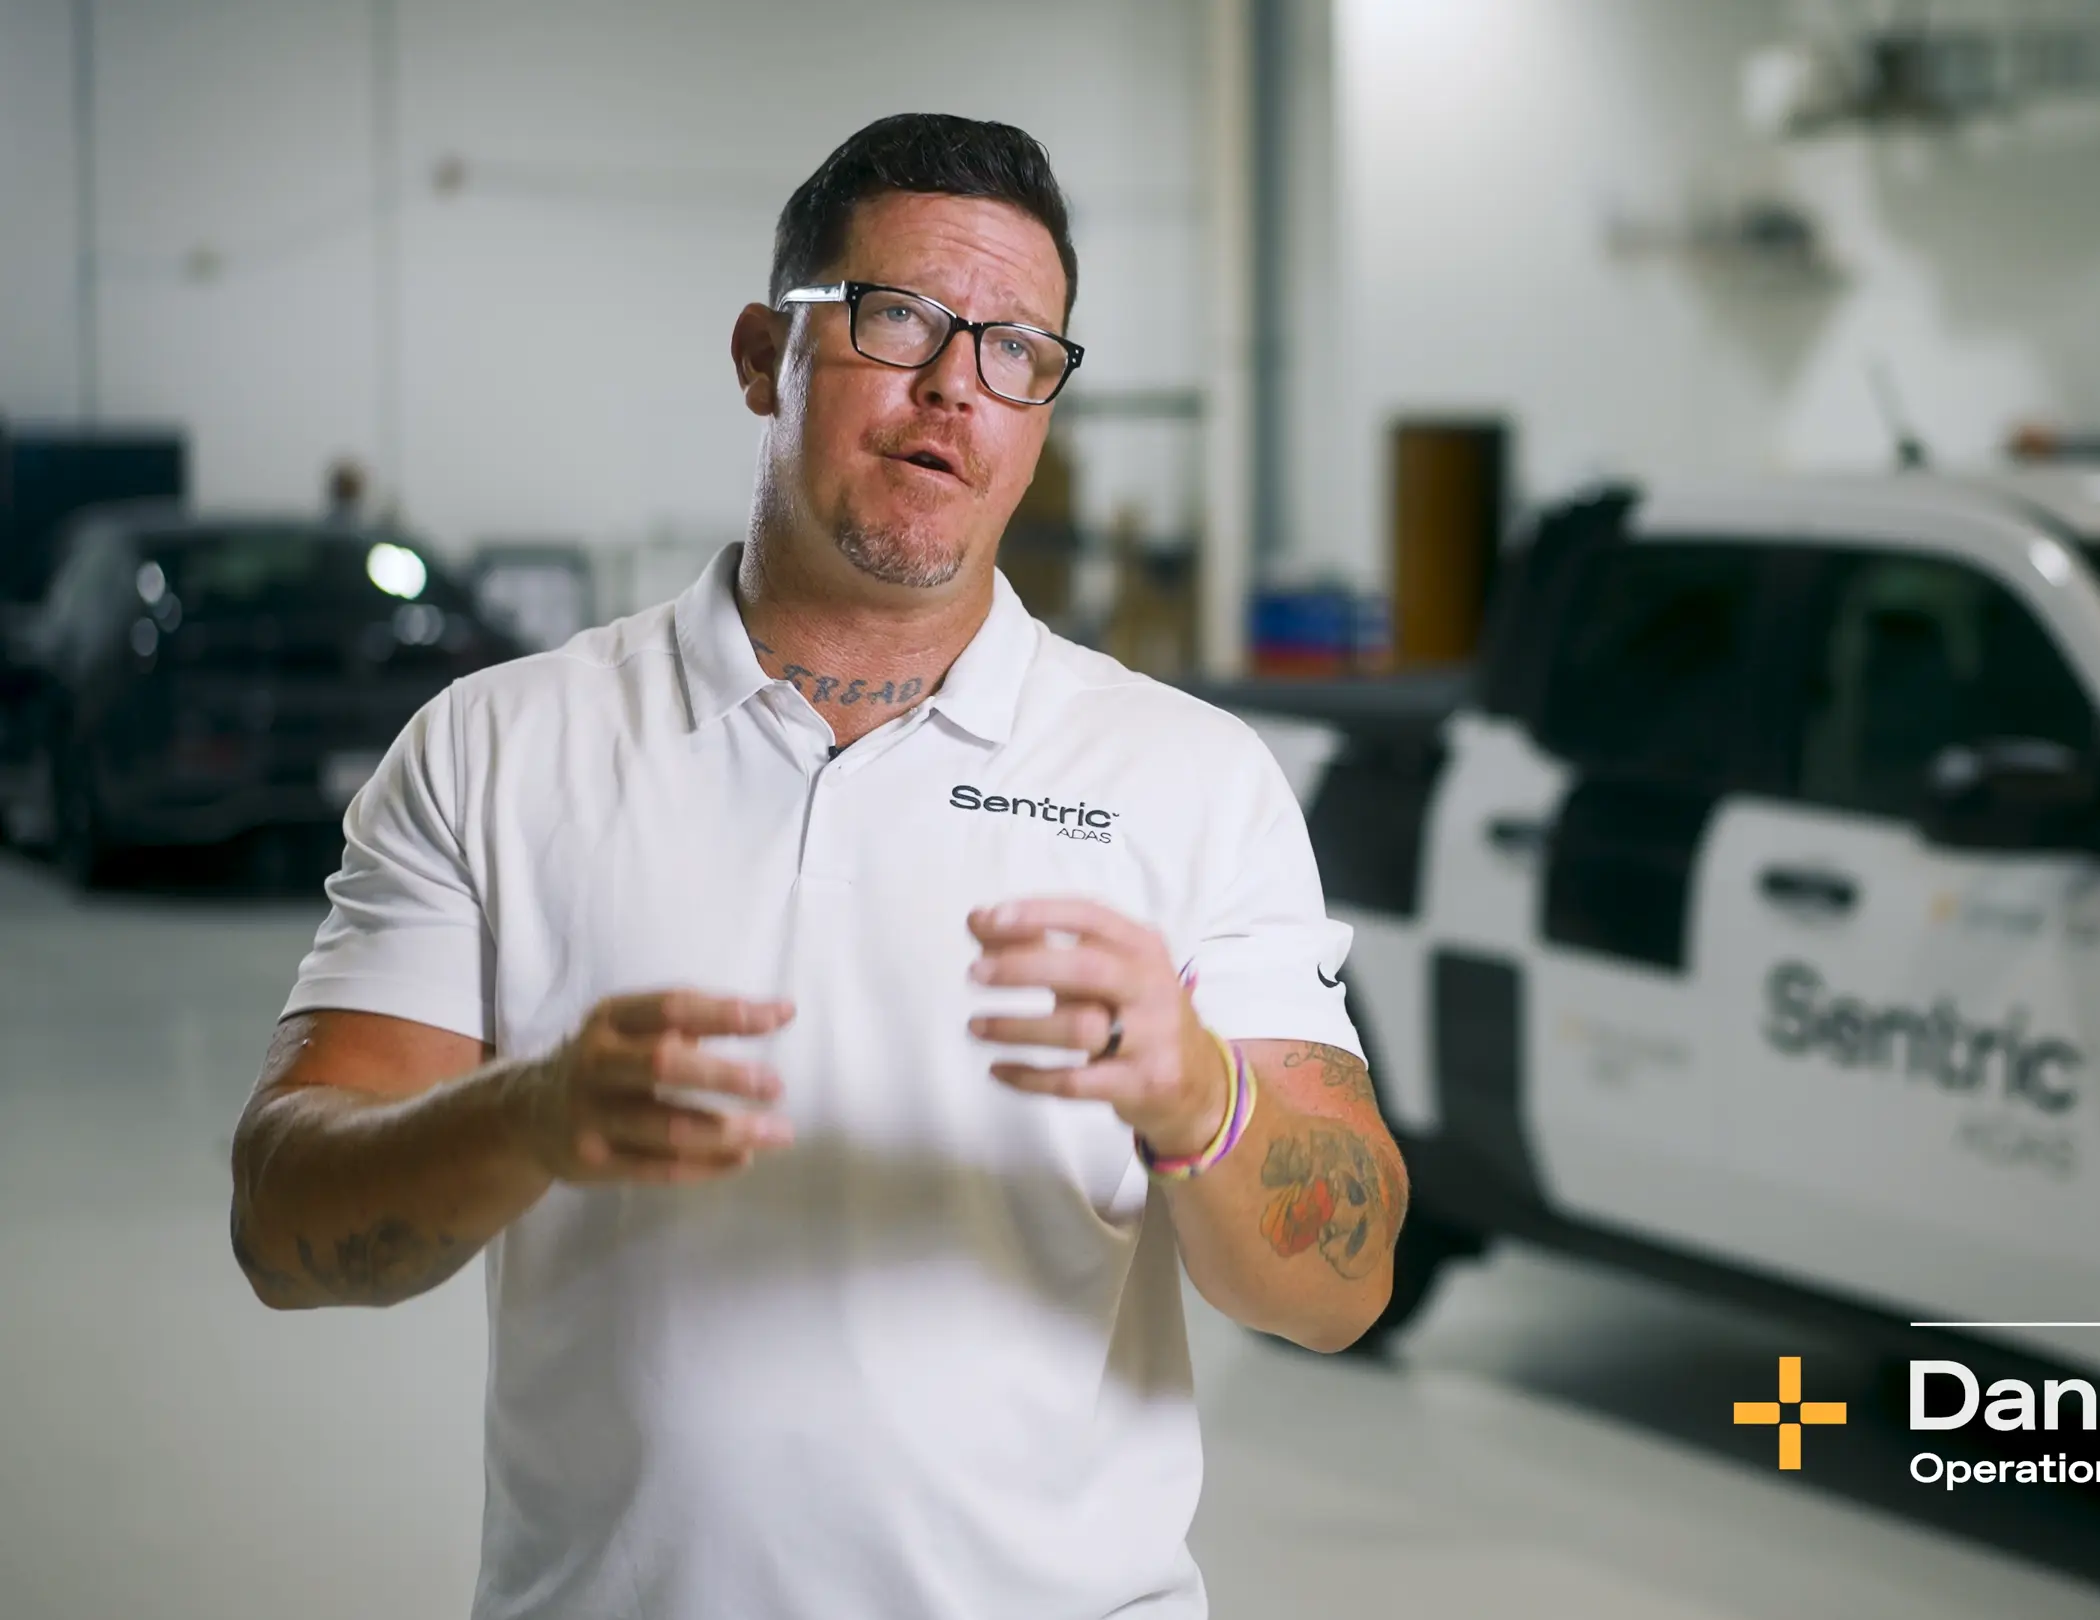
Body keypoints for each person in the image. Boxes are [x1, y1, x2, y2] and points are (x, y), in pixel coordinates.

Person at [227, 113, 1403, 1620]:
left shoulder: (1189, 780)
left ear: (1046, 409)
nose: (950, 391)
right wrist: (533, 1113)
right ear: (758, 357)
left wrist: (1199, 1096)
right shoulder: (498, 749)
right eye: (895, 318)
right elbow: (286, 1227)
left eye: (1015, 350)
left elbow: (1342, 1283)